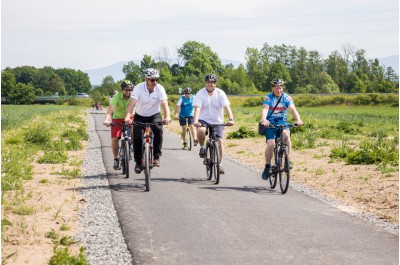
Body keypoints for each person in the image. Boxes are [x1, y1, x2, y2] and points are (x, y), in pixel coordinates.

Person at [124, 68, 171, 174]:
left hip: (154, 115)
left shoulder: (160, 89)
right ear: (146, 79)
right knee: (136, 136)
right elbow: (132, 104)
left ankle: (156, 156)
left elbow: (165, 104)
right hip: (140, 115)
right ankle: (138, 162)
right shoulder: (138, 88)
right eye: (152, 80)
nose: (155, 82)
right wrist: (127, 117)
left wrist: (167, 117)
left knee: (158, 129)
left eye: (156, 80)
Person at [260, 78, 303, 180]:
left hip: (282, 122)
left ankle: (287, 160)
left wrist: (298, 119)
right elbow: (265, 109)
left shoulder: (287, 98)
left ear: (283, 88)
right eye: (276, 88)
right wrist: (264, 120)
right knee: (271, 144)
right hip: (270, 123)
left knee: (286, 136)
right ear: (272, 88)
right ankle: (267, 167)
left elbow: (292, 109)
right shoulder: (268, 98)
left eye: (280, 88)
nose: (278, 90)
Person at [193, 74, 234, 174]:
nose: (209, 84)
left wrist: (231, 119)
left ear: (215, 84)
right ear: (205, 83)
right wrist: (196, 121)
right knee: (201, 130)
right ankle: (202, 148)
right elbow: (197, 108)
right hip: (204, 119)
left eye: (211, 82)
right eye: (207, 82)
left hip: (217, 121)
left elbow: (227, 107)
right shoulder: (200, 93)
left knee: (220, 142)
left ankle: (220, 164)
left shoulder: (220, 93)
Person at [103, 80, 134, 170]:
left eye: (130, 90)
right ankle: (116, 159)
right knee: (115, 139)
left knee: (136, 132)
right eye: (126, 90)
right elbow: (110, 110)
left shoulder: (134, 97)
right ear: (122, 90)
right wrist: (106, 120)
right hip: (118, 119)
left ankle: (132, 144)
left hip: (131, 117)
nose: (128, 92)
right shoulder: (116, 97)